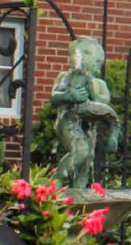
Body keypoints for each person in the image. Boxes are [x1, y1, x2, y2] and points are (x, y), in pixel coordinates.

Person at [49, 37, 120, 190]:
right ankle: (56, 181)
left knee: (87, 160)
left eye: (91, 55)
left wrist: (93, 91)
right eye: (82, 54)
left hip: (89, 126)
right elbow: (53, 97)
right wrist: (68, 96)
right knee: (80, 150)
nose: (83, 58)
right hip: (67, 121)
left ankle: (78, 194)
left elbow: (104, 103)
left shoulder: (99, 83)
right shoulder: (65, 77)